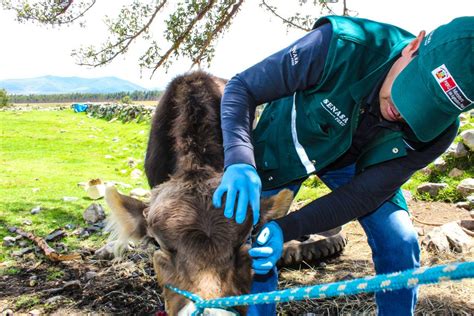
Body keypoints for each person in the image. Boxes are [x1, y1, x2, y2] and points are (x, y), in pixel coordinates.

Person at [212, 15, 473, 315]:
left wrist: (288, 227)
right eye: (410, 89)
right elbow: (242, 87)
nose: (402, 111)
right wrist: (240, 160)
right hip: (289, 145)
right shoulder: (338, 46)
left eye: (424, 109)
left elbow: (362, 196)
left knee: (399, 242)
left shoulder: (437, 133)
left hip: (359, 166)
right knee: (254, 237)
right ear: (412, 47)